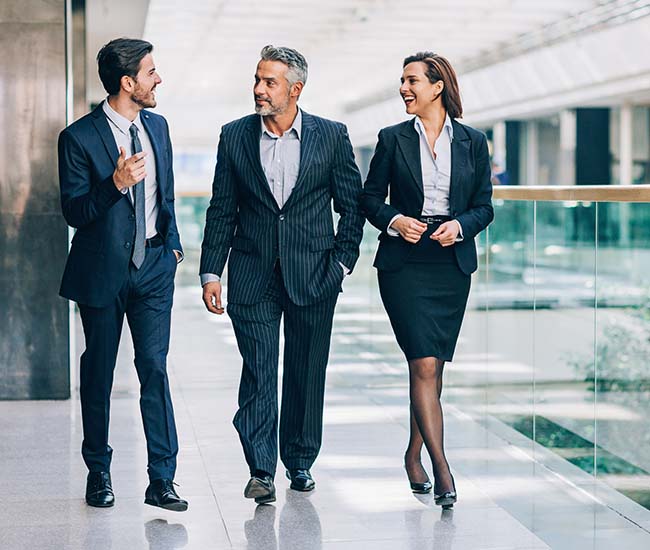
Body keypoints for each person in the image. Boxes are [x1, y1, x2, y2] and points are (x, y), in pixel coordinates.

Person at [200, 45, 364, 504]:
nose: (258, 89)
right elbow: (221, 209)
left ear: (296, 89)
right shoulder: (234, 136)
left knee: (306, 371)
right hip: (253, 275)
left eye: (269, 82)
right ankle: (260, 469)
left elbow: (352, 207)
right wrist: (212, 271)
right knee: (258, 371)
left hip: (315, 274)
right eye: (257, 79)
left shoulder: (331, 136)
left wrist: (342, 263)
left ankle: (300, 460)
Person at [58, 38, 187, 511]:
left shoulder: (159, 126)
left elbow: (166, 196)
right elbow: (74, 211)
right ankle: (99, 471)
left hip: (153, 267)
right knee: (99, 372)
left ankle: (163, 479)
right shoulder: (78, 138)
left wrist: (171, 249)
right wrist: (114, 184)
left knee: (154, 367)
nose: (159, 80)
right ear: (128, 82)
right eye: (152, 72)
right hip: (101, 272)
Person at [360, 52, 494, 508]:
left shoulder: (474, 141)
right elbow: (370, 198)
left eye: (412, 80)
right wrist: (396, 220)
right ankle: (442, 467)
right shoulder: (392, 138)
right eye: (402, 81)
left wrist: (461, 227)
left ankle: (413, 454)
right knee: (422, 364)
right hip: (405, 264)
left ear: (438, 87)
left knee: (433, 368)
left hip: (450, 262)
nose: (404, 88)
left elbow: (484, 206)